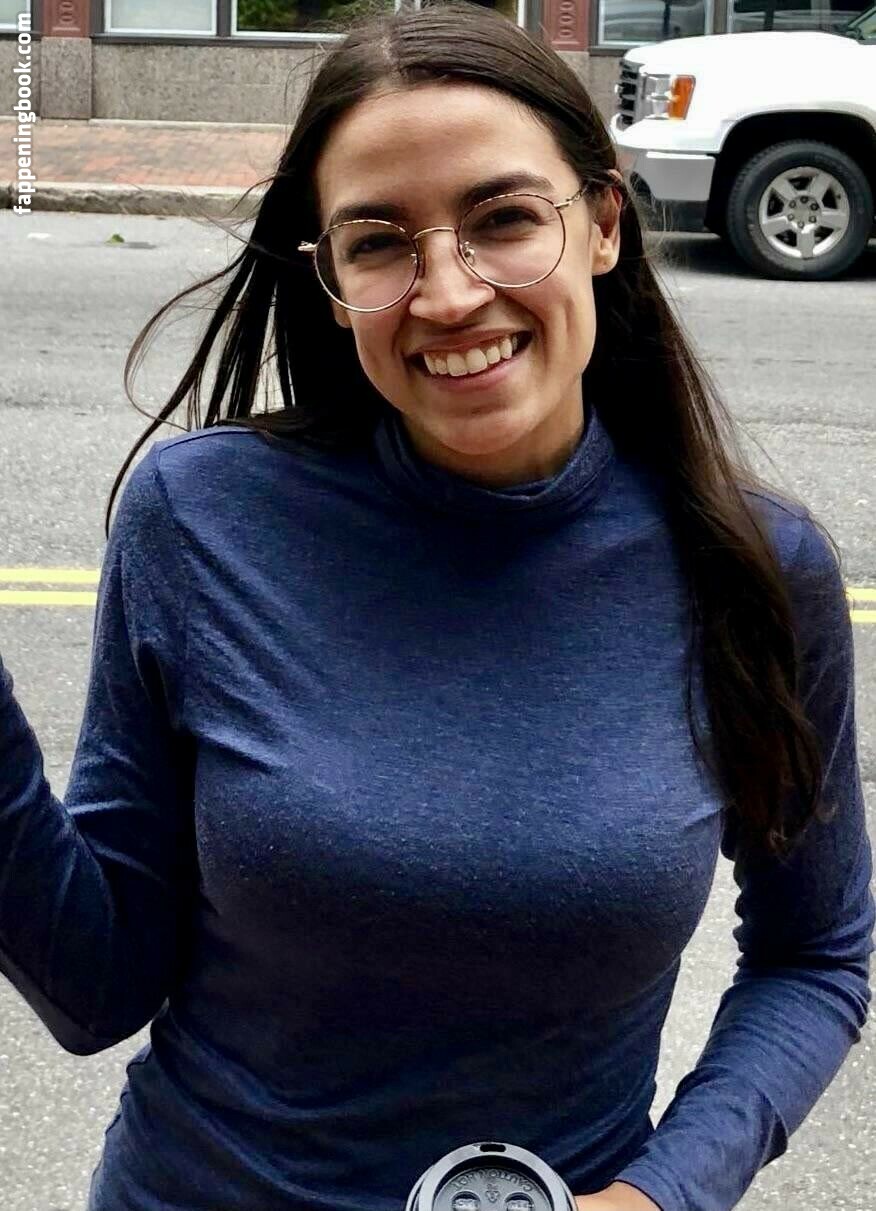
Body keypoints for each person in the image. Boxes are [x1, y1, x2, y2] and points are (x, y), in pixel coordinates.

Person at [0, 5, 872, 1210]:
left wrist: (664, 1190)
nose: (450, 294)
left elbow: (814, 954)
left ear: (603, 223)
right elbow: (95, 985)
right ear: (331, 279)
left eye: (503, 219)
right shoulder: (199, 519)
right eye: (378, 242)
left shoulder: (753, 567)